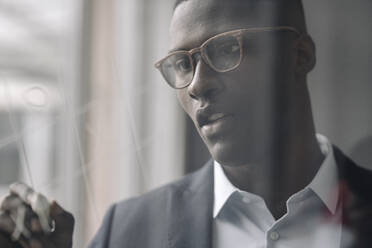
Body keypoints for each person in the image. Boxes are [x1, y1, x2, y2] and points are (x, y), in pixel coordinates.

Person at [0, 0, 372, 247]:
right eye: (181, 63)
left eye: (226, 49)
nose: (197, 84)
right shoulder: (127, 232)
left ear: (300, 56)